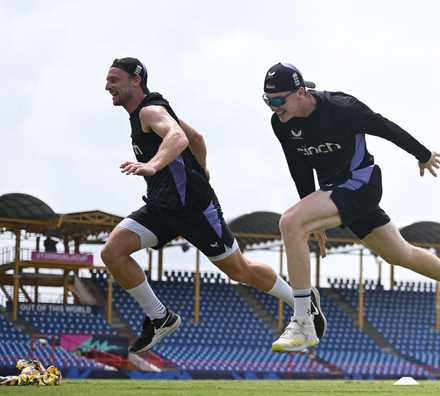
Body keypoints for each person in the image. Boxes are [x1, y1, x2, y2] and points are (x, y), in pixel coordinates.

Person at [102, 57, 327, 353]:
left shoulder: (150, 110)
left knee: (239, 270)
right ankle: (160, 317)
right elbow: (196, 138)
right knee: (113, 252)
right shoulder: (153, 111)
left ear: (136, 80)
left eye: (114, 80)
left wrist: (153, 165)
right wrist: (202, 168)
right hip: (161, 207)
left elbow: (179, 137)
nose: (107, 86)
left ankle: (302, 299)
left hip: (194, 209)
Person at [262, 62, 440, 352]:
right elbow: (300, 169)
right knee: (399, 253)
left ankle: (304, 322)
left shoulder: (342, 108)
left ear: (301, 91)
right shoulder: (281, 124)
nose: (273, 107)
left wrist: (423, 155)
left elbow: (385, 127)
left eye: (279, 100)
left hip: (362, 184)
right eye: (268, 101)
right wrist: (311, 216)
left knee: (288, 222)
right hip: (334, 192)